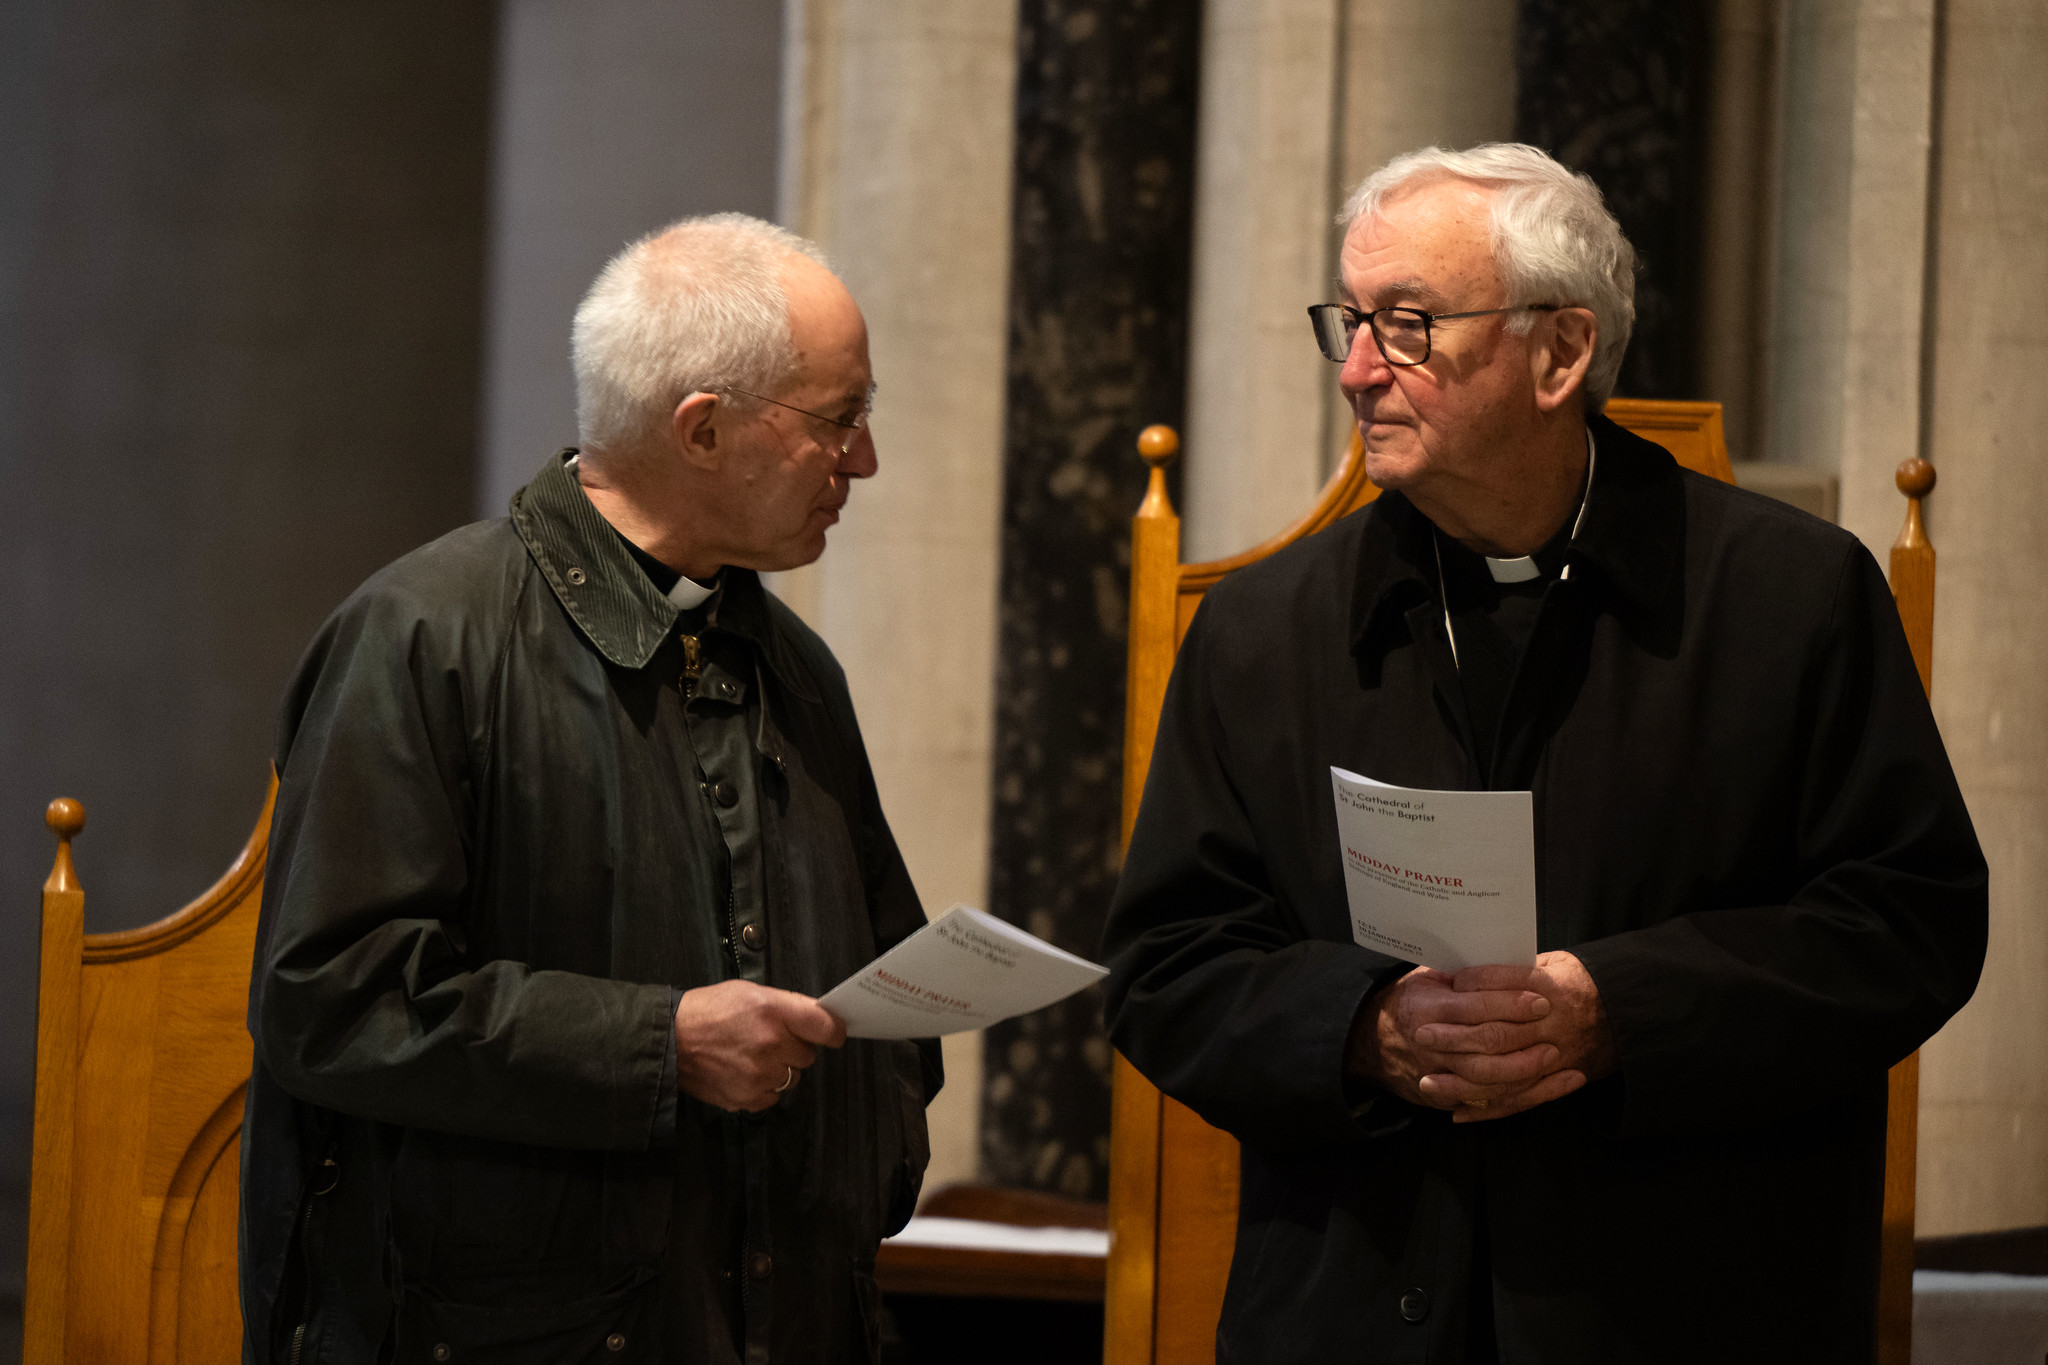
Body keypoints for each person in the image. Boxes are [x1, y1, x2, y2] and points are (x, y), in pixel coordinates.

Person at [1101, 143, 1987, 1363]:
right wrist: (1363, 1029)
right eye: (1349, 322)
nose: (1355, 370)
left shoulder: (1789, 599)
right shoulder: (1260, 630)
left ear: (1559, 353)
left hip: (1682, 1312)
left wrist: (1616, 1012)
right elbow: (1165, 967)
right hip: (1351, 1313)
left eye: (1407, 325)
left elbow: (1906, 923)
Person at [239, 213, 939, 1365]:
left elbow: (882, 986)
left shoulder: (796, 668)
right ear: (701, 429)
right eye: (837, 418)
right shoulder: (426, 637)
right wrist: (659, 1044)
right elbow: (334, 1004)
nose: (861, 461)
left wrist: (871, 1160)